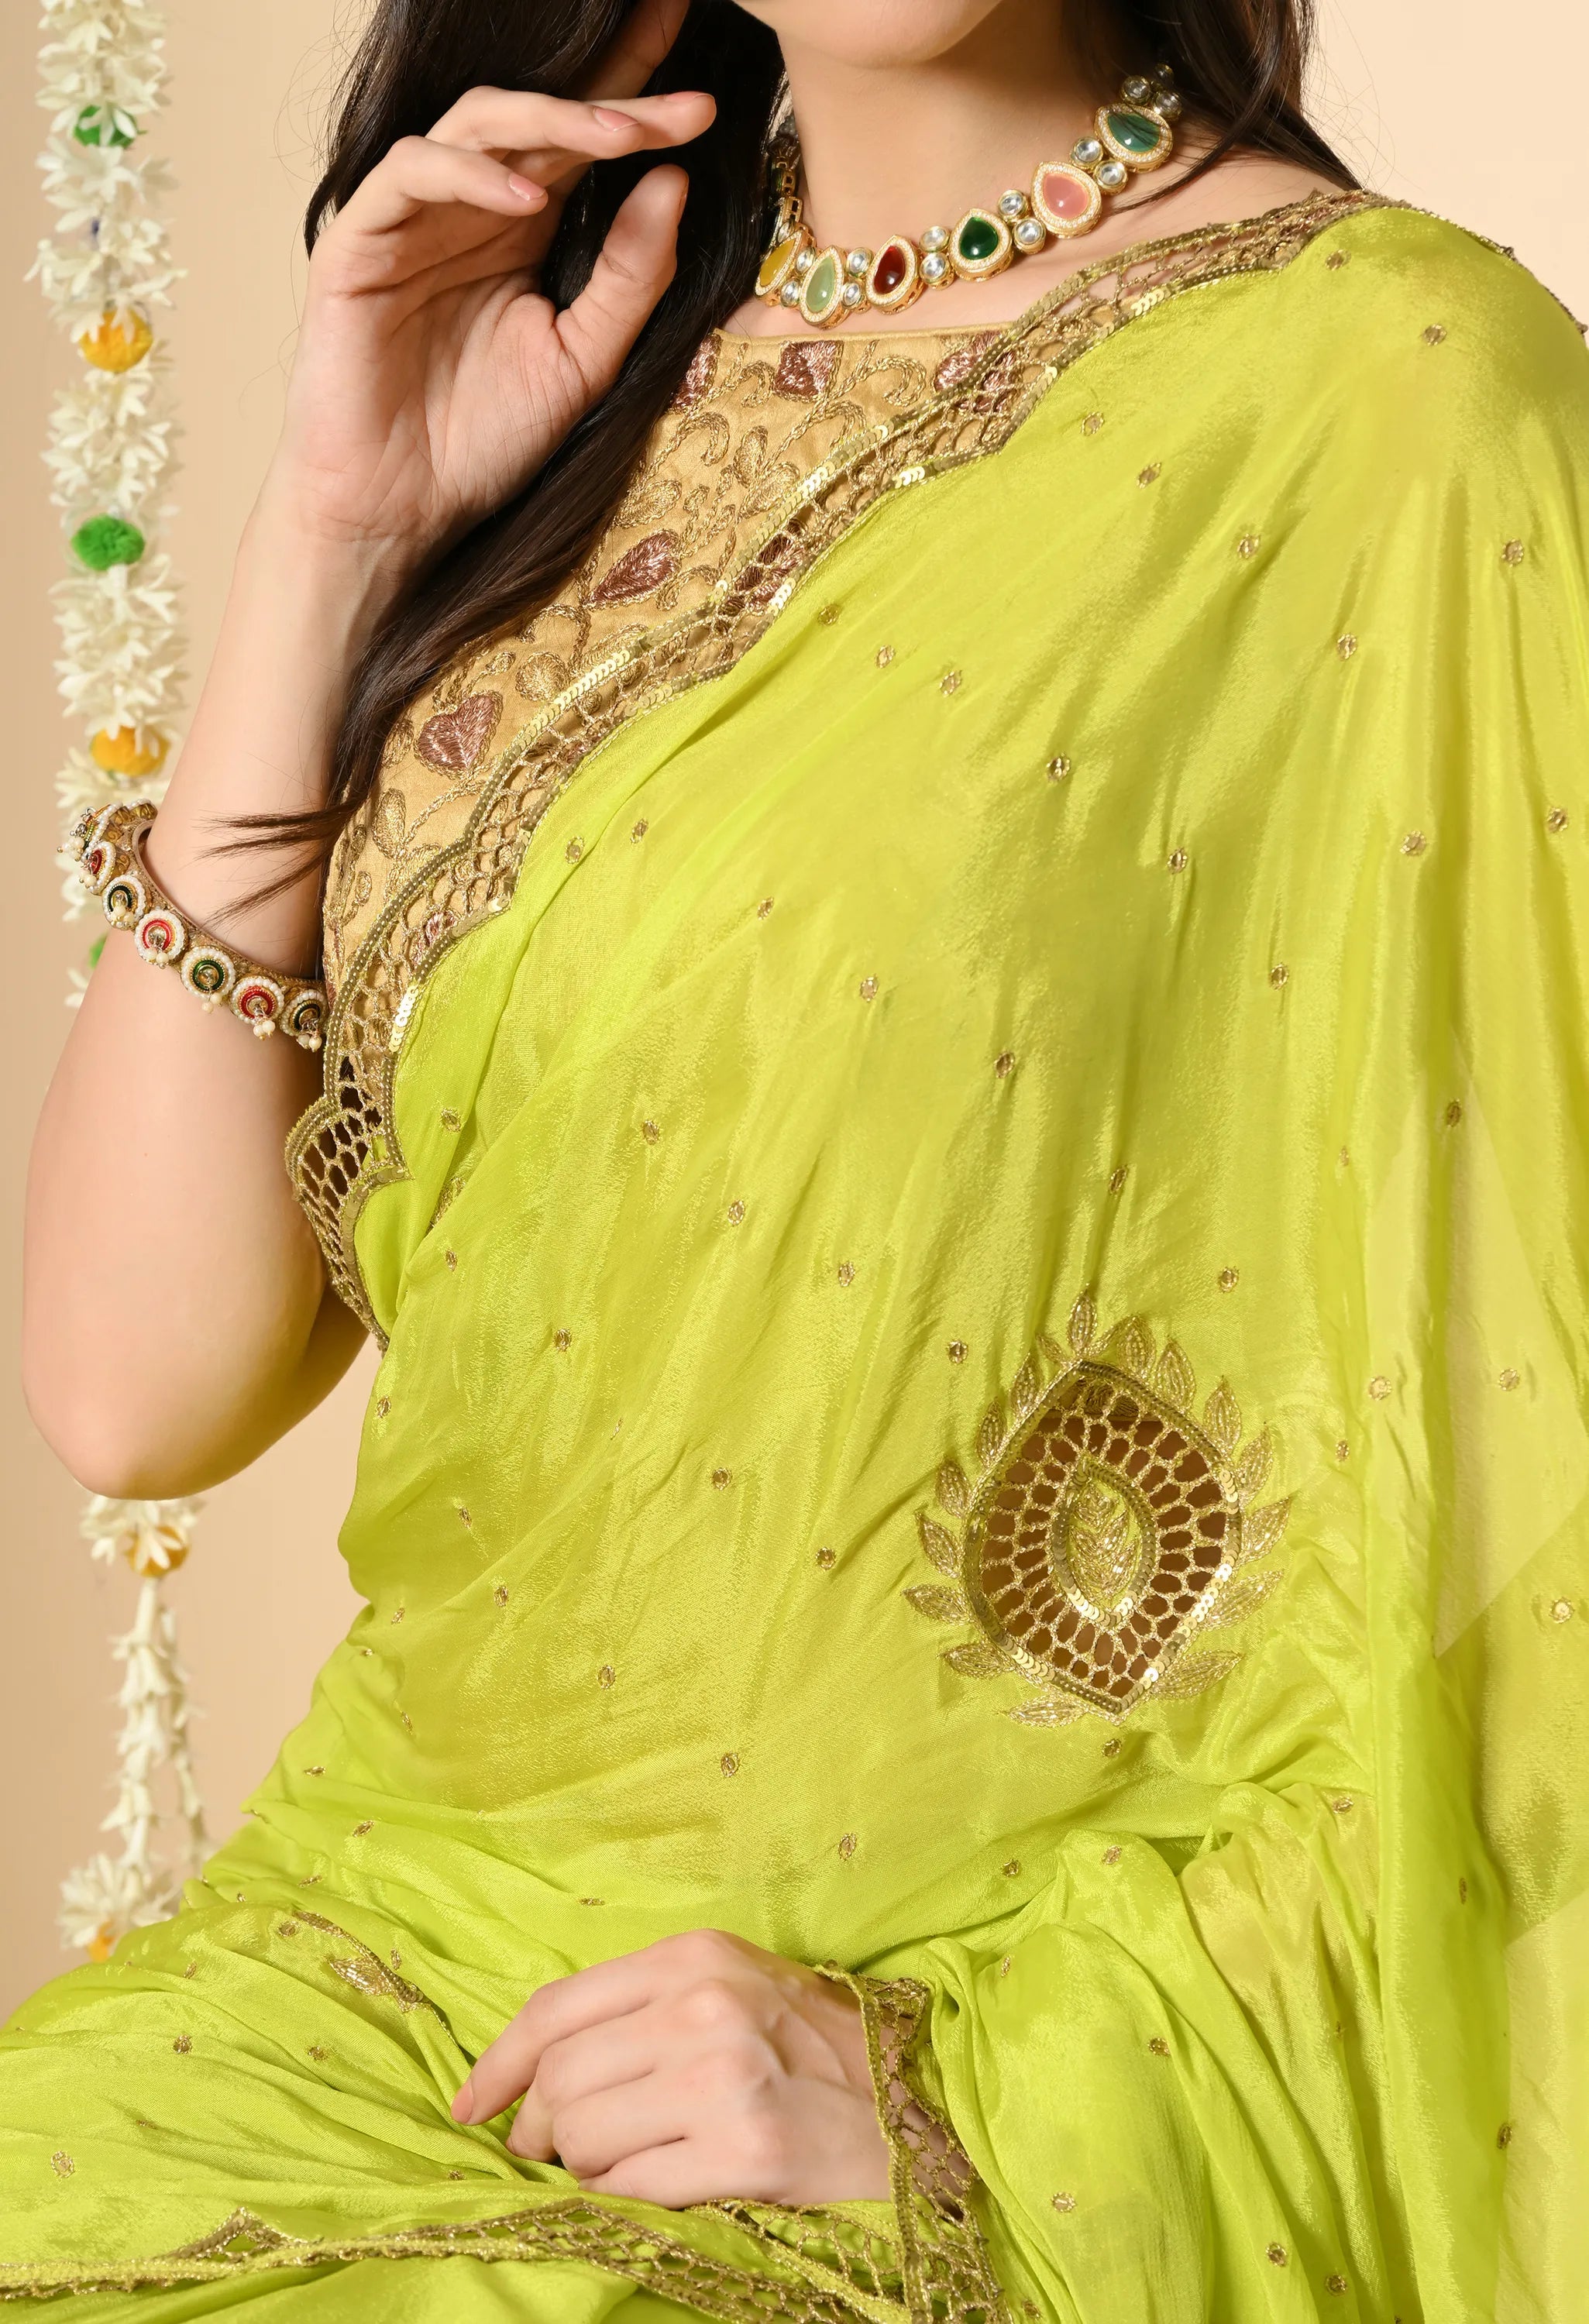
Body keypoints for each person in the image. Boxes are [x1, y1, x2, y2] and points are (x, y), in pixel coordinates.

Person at [8, 0, 1587, 2314]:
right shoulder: (568, 364)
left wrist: (982, 2088)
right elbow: (135, 1390)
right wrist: (333, 534)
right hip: (357, 1975)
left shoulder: (1406, 393)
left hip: (928, 2065)